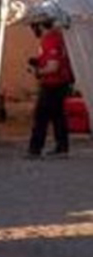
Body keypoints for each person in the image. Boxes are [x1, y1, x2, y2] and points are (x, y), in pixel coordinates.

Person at [27, 17, 74, 158]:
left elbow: (54, 67)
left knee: (41, 117)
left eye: (35, 26)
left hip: (53, 84)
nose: (34, 30)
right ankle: (62, 148)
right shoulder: (58, 37)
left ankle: (35, 150)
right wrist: (39, 61)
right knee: (58, 117)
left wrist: (37, 72)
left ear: (41, 25)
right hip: (61, 84)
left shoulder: (50, 39)